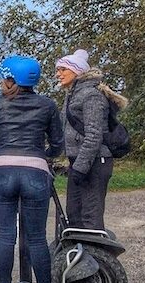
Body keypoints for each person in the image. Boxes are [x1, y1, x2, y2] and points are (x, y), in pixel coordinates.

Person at [0, 56, 64, 283]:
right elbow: (57, 143)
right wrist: (45, 156)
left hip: (3, 170)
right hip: (35, 172)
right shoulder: (48, 105)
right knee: (38, 238)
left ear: (11, 79)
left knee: (6, 236)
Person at [55, 49, 128, 230]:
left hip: (95, 163)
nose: (59, 74)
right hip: (80, 163)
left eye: (63, 69)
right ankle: (78, 255)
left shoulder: (91, 96)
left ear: (77, 71)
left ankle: (95, 256)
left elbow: (94, 136)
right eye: (58, 69)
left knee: (90, 217)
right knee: (74, 214)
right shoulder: (73, 93)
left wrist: (80, 168)